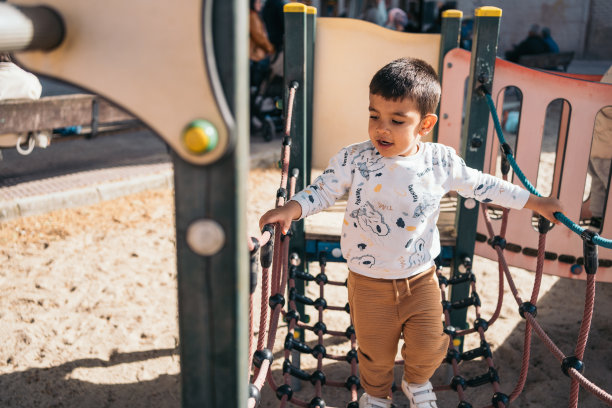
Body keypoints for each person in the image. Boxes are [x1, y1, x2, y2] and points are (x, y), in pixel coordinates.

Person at [259, 58, 564, 407]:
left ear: (425, 124)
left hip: (420, 277)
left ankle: (417, 382)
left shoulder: (439, 162)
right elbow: (323, 191)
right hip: (368, 280)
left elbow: (483, 185)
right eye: (374, 116)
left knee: (432, 341)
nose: (381, 129)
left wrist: (534, 202)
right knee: (374, 352)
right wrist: (290, 209)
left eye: (396, 121)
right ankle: (376, 396)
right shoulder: (354, 158)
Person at [586, 66, 612, 230]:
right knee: (605, 186)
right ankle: (601, 221)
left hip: (599, 144)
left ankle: (597, 219)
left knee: (600, 185)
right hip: (607, 147)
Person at [249, 0, 275, 88]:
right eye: (257, 2)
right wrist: (270, 48)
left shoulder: (254, 15)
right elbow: (259, 36)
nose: (260, 5)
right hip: (255, 54)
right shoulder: (252, 16)